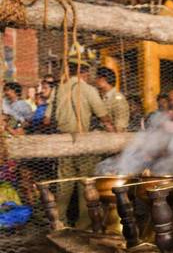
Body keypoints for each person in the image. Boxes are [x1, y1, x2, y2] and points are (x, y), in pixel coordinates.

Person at [44, 59, 115, 228]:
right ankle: (84, 224)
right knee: (86, 184)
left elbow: (47, 120)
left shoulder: (58, 89)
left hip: (63, 143)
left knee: (64, 185)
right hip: (83, 143)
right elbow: (103, 115)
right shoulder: (88, 89)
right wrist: (111, 128)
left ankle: (59, 222)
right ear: (84, 72)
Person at [95, 67, 130, 132]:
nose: (95, 81)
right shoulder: (102, 97)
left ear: (103, 79)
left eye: (97, 78)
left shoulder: (118, 99)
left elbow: (120, 127)